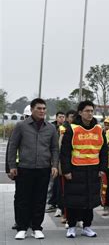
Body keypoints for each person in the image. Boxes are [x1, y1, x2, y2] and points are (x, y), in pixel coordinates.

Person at [8, 98, 59, 240]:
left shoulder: (51, 128)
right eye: (39, 108)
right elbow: (13, 146)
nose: (42, 111)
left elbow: (55, 148)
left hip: (43, 169)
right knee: (23, 199)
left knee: (40, 199)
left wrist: (54, 165)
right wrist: (12, 166)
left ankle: (37, 227)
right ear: (31, 110)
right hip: (25, 168)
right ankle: (22, 228)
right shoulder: (21, 126)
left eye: (44, 108)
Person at [61, 100, 108, 238]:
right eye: (87, 111)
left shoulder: (99, 129)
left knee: (90, 200)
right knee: (73, 200)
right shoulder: (72, 128)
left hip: (93, 170)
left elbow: (104, 151)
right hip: (75, 170)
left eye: (92, 111)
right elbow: (65, 152)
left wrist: (102, 168)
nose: (90, 113)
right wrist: (66, 171)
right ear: (80, 112)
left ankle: (87, 226)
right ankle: (71, 227)